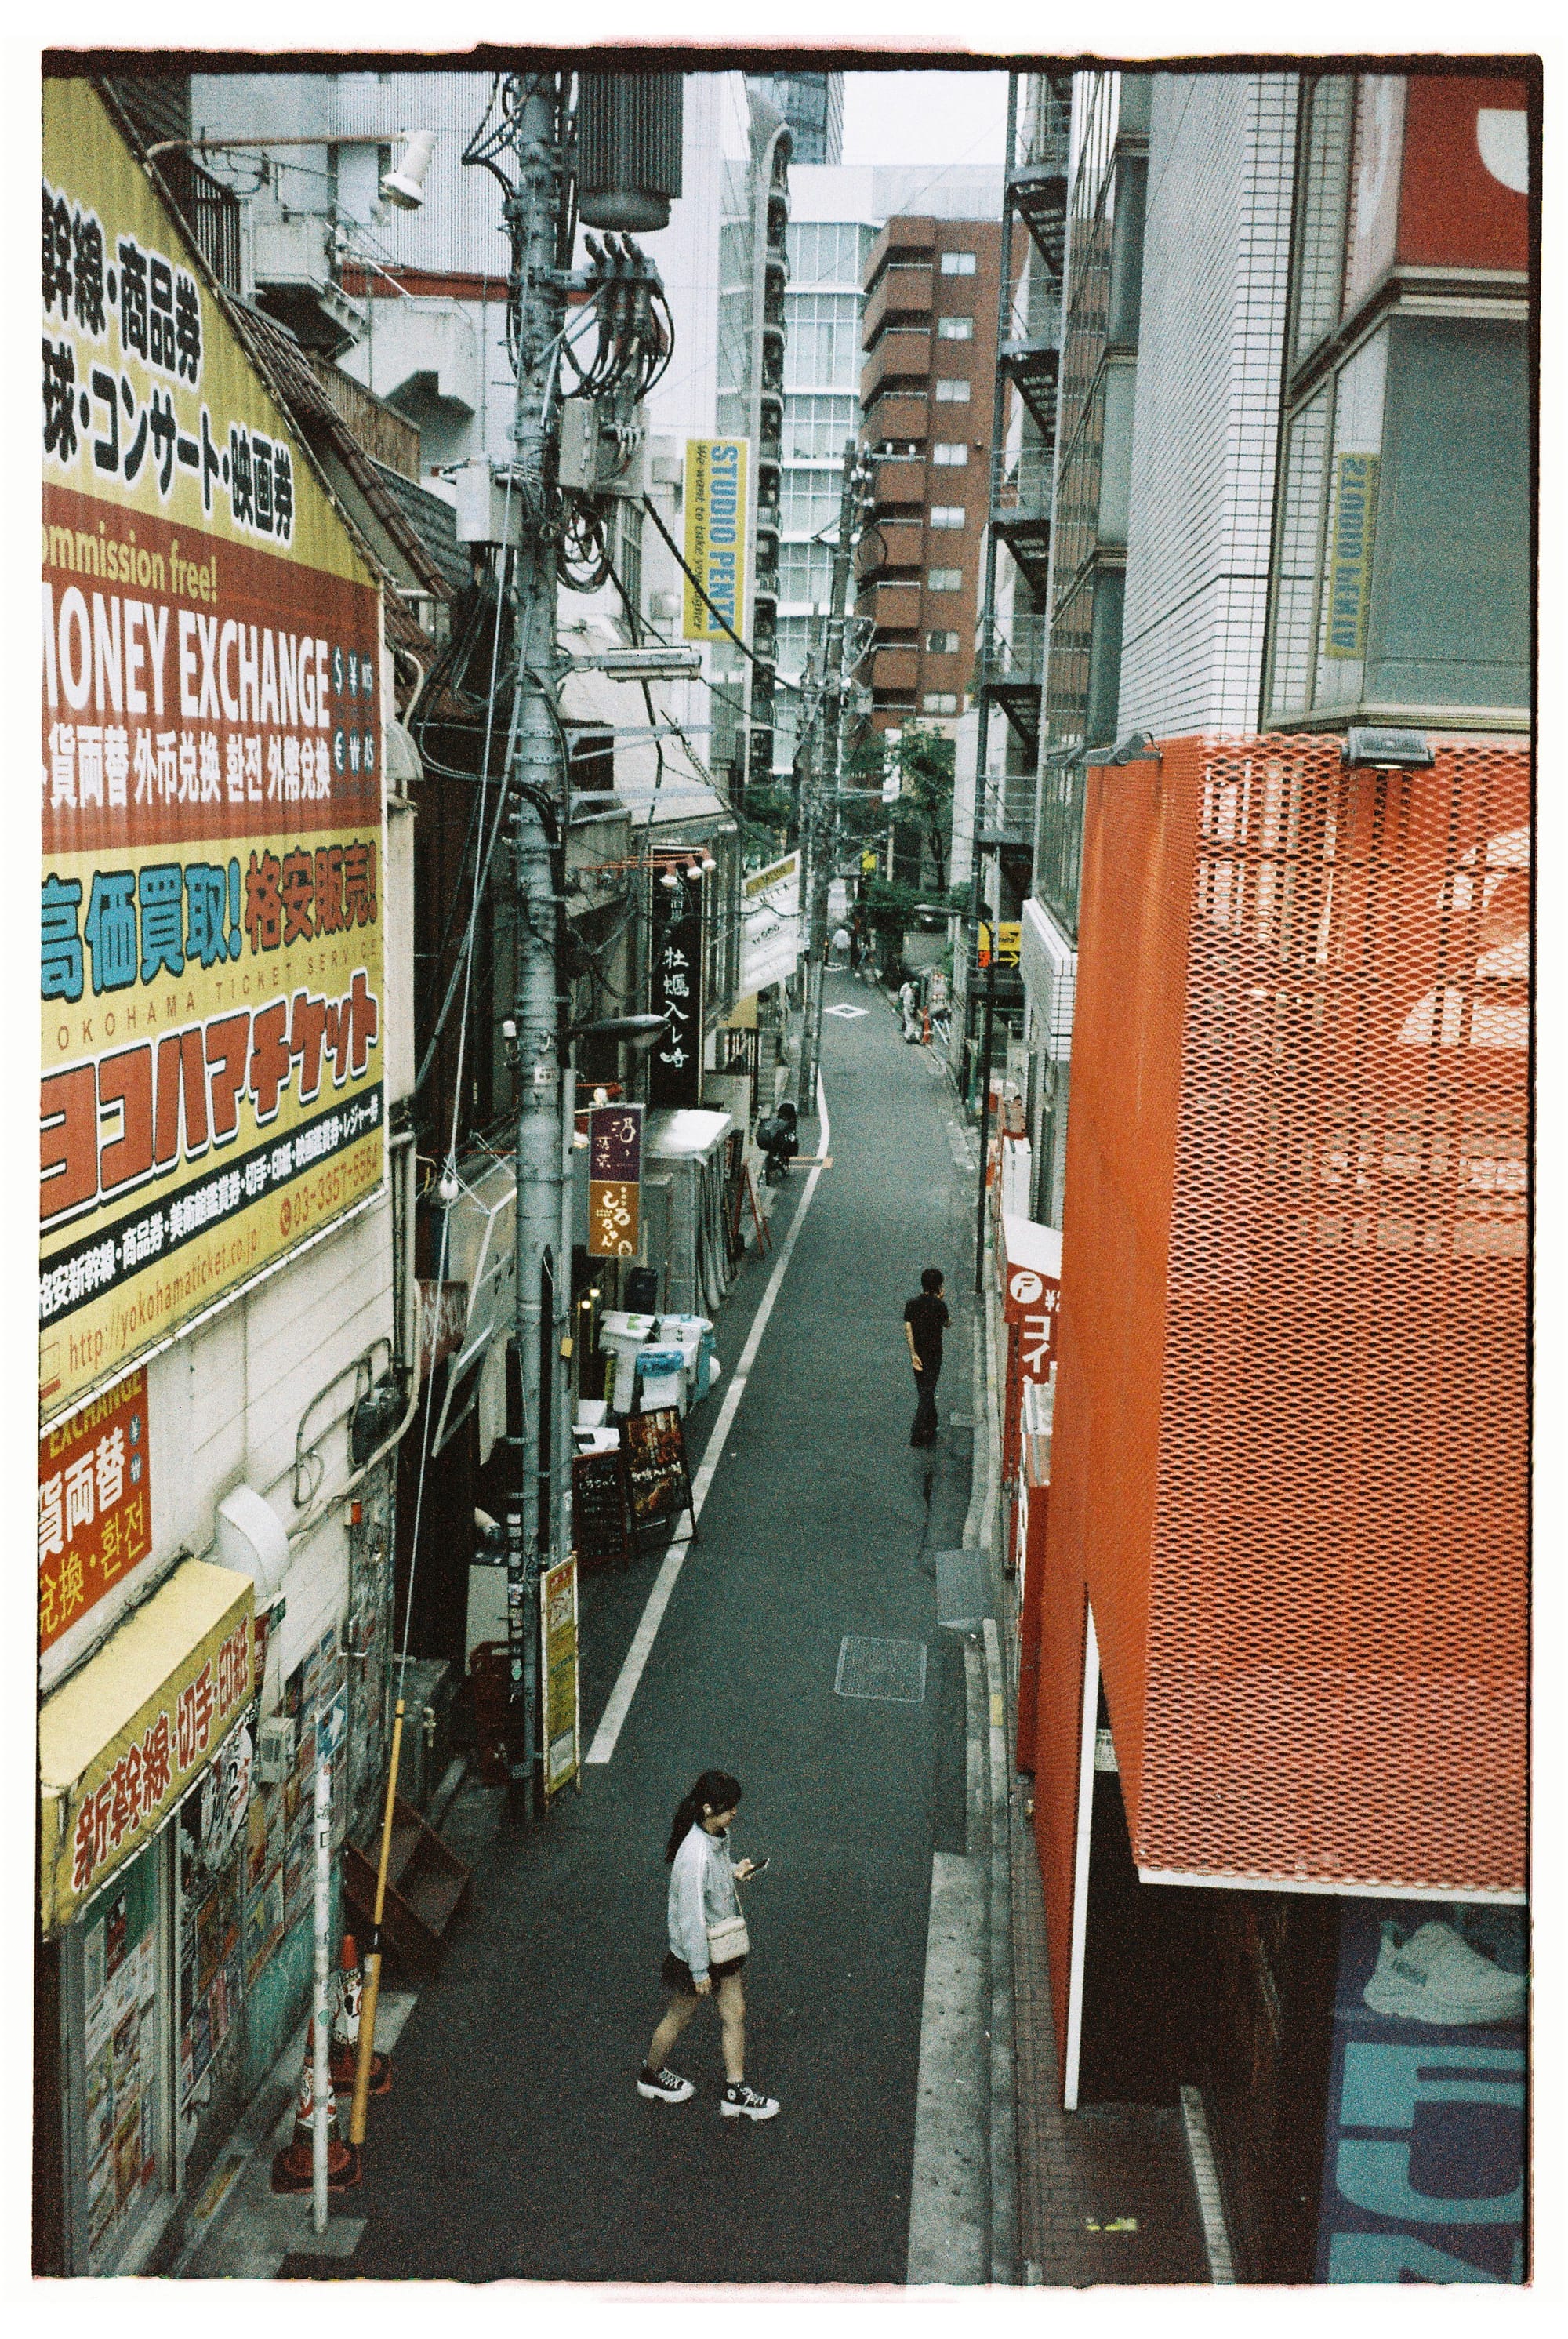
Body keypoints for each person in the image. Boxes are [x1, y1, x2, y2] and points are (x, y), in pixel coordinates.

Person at [637, 1769, 779, 2120]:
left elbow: (711, 1880)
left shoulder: (714, 1836)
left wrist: (734, 1871)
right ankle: (651, 2074)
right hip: (698, 1952)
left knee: (735, 2012)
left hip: (720, 1944)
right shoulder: (694, 1855)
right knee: (679, 2016)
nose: (734, 1813)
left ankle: (735, 2090)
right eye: (728, 1807)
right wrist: (699, 1970)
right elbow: (691, 1919)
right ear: (707, 1809)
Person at [903, 1267, 951, 1447]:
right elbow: (948, 1324)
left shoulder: (912, 1304)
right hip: (934, 1352)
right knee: (927, 1391)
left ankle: (932, 1421)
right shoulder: (939, 1306)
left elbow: (908, 1330)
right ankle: (917, 1431)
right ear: (938, 1286)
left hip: (919, 1352)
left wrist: (913, 1354)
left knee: (924, 1387)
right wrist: (940, 1301)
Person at [757, 1099, 799, 1186]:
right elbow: (790, 1134)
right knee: (788, 1143)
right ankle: (782, 1161)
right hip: (776, 1142)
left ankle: (775, 1164)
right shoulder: (788, 1123)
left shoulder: (774, 1122)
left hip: (767, 1142)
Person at [898, 976, 920, 1043]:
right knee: (910, 1023)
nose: (915, 991)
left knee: (910, 1023)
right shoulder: (909, 994)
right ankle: (907, 1037)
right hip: (908, 1010)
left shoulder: (911, 993)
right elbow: (908, 1004)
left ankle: (907, 1035)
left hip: (908, 1010)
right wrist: (911, 1010)